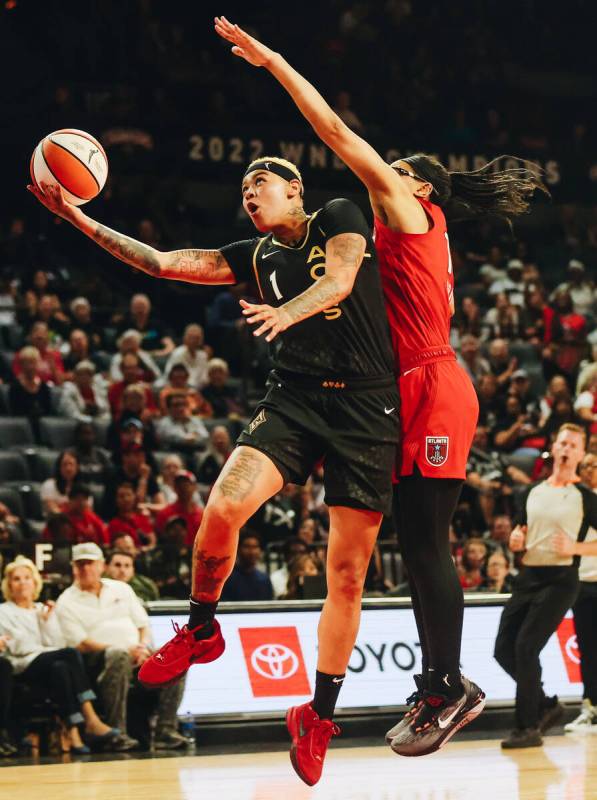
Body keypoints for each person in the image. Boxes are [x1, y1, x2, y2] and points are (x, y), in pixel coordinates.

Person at [29, 112, 399, 786]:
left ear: (295, 191)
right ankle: (201, 627)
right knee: (222, 508)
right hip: (295, 396)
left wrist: (287, 312)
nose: (249, 194)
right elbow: (165, 263)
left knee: (345, 575)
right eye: (242, 190)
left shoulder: (339, 215)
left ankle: (317, 715)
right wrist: (79, 220)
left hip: (364, 406)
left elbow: (342, 279)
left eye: (261, 183)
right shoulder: (252, 257)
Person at [212, 16, 543, 762]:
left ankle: (448, 685)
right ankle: (436, 682)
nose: (380, 167)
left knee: (427, 540)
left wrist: (273, 62)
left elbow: (332, 130)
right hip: (402, 385)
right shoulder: (388, 228)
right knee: (415, 539)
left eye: (395, 164)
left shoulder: (405, 208)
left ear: (418, 182)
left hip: (432, 379)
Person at [494, 424, 597, 748]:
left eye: (573, 445)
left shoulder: (586, 497)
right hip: (527, 578)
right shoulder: (533, 491)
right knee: (502, 650)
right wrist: (515, 541)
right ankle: (546, 705)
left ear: (581, 454)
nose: (566, 449)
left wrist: (576, 549)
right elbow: (521, 532)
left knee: (526, 647)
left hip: (561, 580)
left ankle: (527, 727)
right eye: (563, 442)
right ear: (554, 447)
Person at [55, 542, 186, 751]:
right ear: (73, 568)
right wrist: (126, 650)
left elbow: (143, 625)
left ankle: (166, 731)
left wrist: (142, 648)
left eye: (90, 563)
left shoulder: (122, 589)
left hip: (137, 652)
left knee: (176, 655)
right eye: (80, 564)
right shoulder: (66, 601)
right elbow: (81, 643)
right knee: (118, 655)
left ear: (101, 566)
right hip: (97, 661)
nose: (85, 569)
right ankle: (117, 733)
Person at [0, 556, 118, 754]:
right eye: (16, 579)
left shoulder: (43, 609)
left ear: (35, 581)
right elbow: (19, 647)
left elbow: (56, 644)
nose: (22, 583)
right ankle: (90, 717)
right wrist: (48, 648)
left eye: (27, 578)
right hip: (22, 665)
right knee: (70, 654)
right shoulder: (4, 611)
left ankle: (74, 734)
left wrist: (46, 622)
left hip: (45, 664)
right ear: (8, 584)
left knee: (61, 667)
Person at [565, 452, 597, 733]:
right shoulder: (574, 501)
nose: (588, 470)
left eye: (593, 465)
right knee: (587, 650)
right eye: (584, 465)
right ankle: (591, 708)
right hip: (583, 582)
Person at [155, 471, 203, 548]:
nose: (183, 487)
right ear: (175, 488)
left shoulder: (202, 515)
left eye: (186, 484)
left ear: (194, 487)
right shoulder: (165, 514)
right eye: (179, 485)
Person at [220, 532, 273, 601]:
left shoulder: (264, 579)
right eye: (247, 547)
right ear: (238, 549)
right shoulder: (227, 578)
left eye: (255, 547)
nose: (252, 552)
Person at [58, 359, 110, 424]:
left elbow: (106, 412)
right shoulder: (69, 390)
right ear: (75, 376)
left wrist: (96, 409)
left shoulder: (98, 390)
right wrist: (91, 420)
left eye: (88, 374)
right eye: (81, 374)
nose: (85, 377)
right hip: (74, 424)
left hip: (97, 424)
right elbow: (72, 414)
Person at [107, 482, 156, 548]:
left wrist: (147, 548)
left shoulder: (142, 518)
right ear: (116, 500)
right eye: (121, 496)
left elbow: (152, 541)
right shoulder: (113, 524)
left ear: (134, 497)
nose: (126, 499)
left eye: (129, 495)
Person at [163, 323, 210, 388]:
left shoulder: (203, 355)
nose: (194, 341)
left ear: (201, 340)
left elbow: (205, 378)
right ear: (185, 339)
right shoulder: (178, 353)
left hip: (199, 389)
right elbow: (171, 375)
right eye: (191, 337)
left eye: (197, 338)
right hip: (180, 388)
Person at [40, 450, 82, 516]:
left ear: (77, 467)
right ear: (59, 467)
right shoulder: (49, 485)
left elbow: (87, 513)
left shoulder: (82, 489)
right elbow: (53, 511)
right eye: (64, 464)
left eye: (71, 464)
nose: (68, 468)